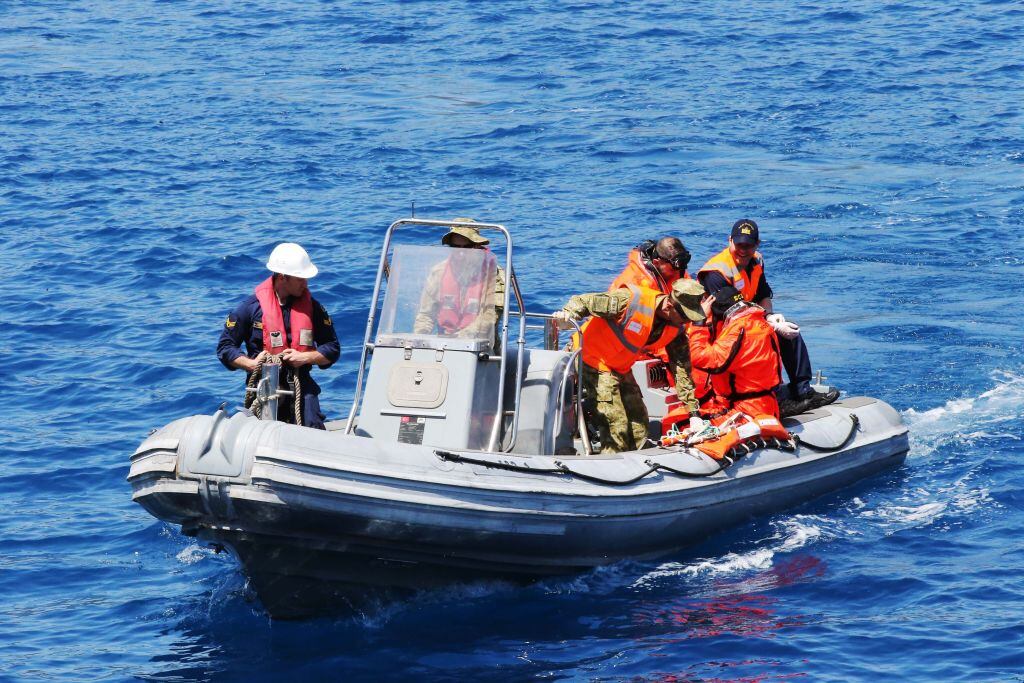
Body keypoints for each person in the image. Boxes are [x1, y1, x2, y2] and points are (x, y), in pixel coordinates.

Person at [697, 219, 838, 415]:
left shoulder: (756, 262)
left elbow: (763, 294)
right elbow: (732, 309)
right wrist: (764, 321)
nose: (743, 250)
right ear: (730, 241)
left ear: (757, 244)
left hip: (749, 321)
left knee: (789, 332)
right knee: (762, 340)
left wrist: (771, 317)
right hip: (725, 331)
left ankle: (802, 390)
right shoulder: (715, 272)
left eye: (748, 245)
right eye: (739, 244)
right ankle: (773, 397)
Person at [554, 279, 705, 454]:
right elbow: (584, 301)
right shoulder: (630, 300)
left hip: (620, 367)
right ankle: (610, 468)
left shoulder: (676, 329)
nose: (687, 321)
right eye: (686, 315)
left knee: (639, 421)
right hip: (591, 359)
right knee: (616, 425)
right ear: (669, 306)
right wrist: (568, 315)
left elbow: (682, 370)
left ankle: (639, 465)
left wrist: (694, 413)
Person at [217, 242, 340, 429]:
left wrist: (305, 357)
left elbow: (332, 348)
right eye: (300, 279)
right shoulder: (250, 308)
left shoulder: (313, 308)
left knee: (312, 425)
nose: (305, 284)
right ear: (282, 277)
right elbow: (225, 348)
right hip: (264, 387)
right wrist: (250, 364)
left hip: (302, 385)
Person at [609, 236, 698, 411]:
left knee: (690, 361)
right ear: (657, 262)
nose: (679, 271)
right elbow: (621, 324)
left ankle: (692, 412)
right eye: (673, 267)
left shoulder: (676, 269)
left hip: (664, 333)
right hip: (622, 348)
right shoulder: (632, 283)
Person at [412, 219, 506, 348]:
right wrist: (419, 340)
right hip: (443, 346)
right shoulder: (438, 271)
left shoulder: (493, 273)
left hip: (481, 349)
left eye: (467, 247)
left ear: (477, 246)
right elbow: (426, 314)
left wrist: (459, 341)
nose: (461, 253)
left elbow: (490, 316)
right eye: (455, 247)